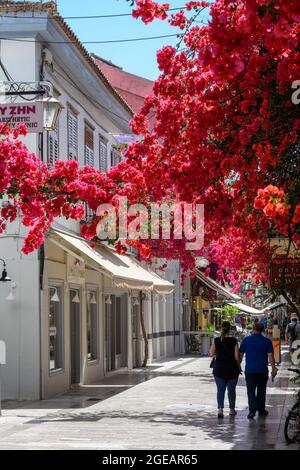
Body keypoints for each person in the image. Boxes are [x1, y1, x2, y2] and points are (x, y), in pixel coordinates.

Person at [239, 322, 277, 419]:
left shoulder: (246, 340)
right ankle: (261, 410)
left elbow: (240, 354)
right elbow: (271, 356)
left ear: (253, 328)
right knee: (261, 391)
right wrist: (273, 368)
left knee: (250, 391)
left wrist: (238, 366)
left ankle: (252, 411)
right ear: (262, 330)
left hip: (250, 370)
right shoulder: (267, 341)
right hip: (262, 370)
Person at [210, 321, 241, 419]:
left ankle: (220, 410)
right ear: (230, 330)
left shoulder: (216, 340)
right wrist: (239, 367)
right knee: (231, 390)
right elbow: (236, 357)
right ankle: (232, 410)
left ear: (221, 329)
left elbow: (211, 353)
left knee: (220, 390)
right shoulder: (234, 341)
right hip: (232, 369)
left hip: (219, 369)